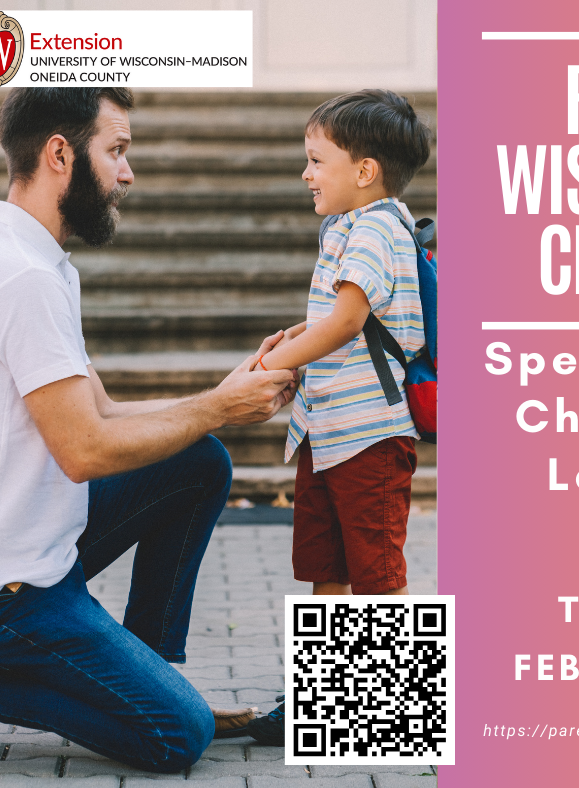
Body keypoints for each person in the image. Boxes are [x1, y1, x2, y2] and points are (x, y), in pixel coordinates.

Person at [0, 88, 298, 772]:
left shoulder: (39, 261)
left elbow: (106, 413)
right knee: (178, 735)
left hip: (36, 546)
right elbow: (86, 450)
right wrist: (219, 407)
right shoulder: (20, 277)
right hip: (3, 596)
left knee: (198, 460)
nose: (128, 173)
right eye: (115, 151)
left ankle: (148, 667)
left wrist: (221, 397)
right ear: (60, 153)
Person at [243, 89, 432, 746]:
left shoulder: (381, 225)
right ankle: (328, 702)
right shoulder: (347, 227)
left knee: (376, 572)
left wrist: (273, 369)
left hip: (370, 436)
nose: (306, 173)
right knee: (328, 566)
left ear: (365, 170)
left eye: (316, 159)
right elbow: (340, 316)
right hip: (327, 434)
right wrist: (292, 337)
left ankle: (391, 713)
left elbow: (350, 321)